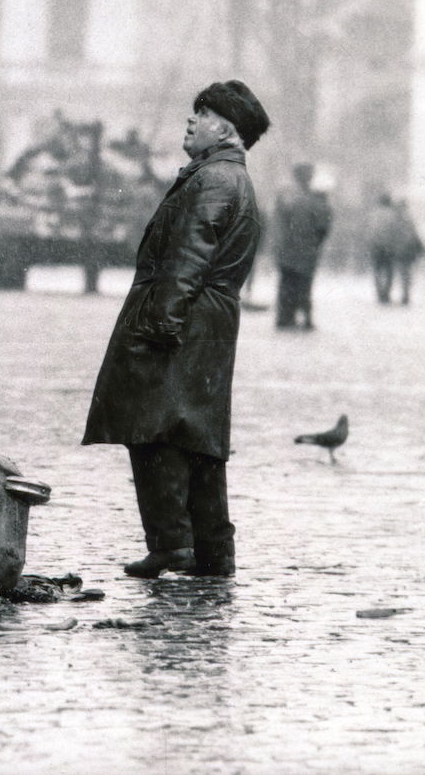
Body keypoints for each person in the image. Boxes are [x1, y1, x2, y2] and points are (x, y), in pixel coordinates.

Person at [82, 79, 270, 579]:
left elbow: (189, 254)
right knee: (198, 435)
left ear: (224, 129)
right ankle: (212, 551)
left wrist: (161, 321)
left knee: (154, 428)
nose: (191, 119)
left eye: (202, 112)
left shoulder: (211, 180)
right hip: (211, 316)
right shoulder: (233, 178)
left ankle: (171, 545)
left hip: (183, 314)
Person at [273, 162, 332, 329]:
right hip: (306, 249)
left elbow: (278, 221)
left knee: (286, 283)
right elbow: (323, 225)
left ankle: (284, 317)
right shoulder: (315, 198)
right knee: (304, 284)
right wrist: (316, 242)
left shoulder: (285, 195)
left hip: (286, 248)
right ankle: (305, 318)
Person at [369, 194, 424, 305]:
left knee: (379, 271)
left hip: (380, 247)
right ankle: (402, 294)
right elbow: (412, 233)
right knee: (398, 272)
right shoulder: (401, 216)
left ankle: (382, 294)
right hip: (397, 248)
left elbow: (371, 232)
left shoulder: (374, 214)